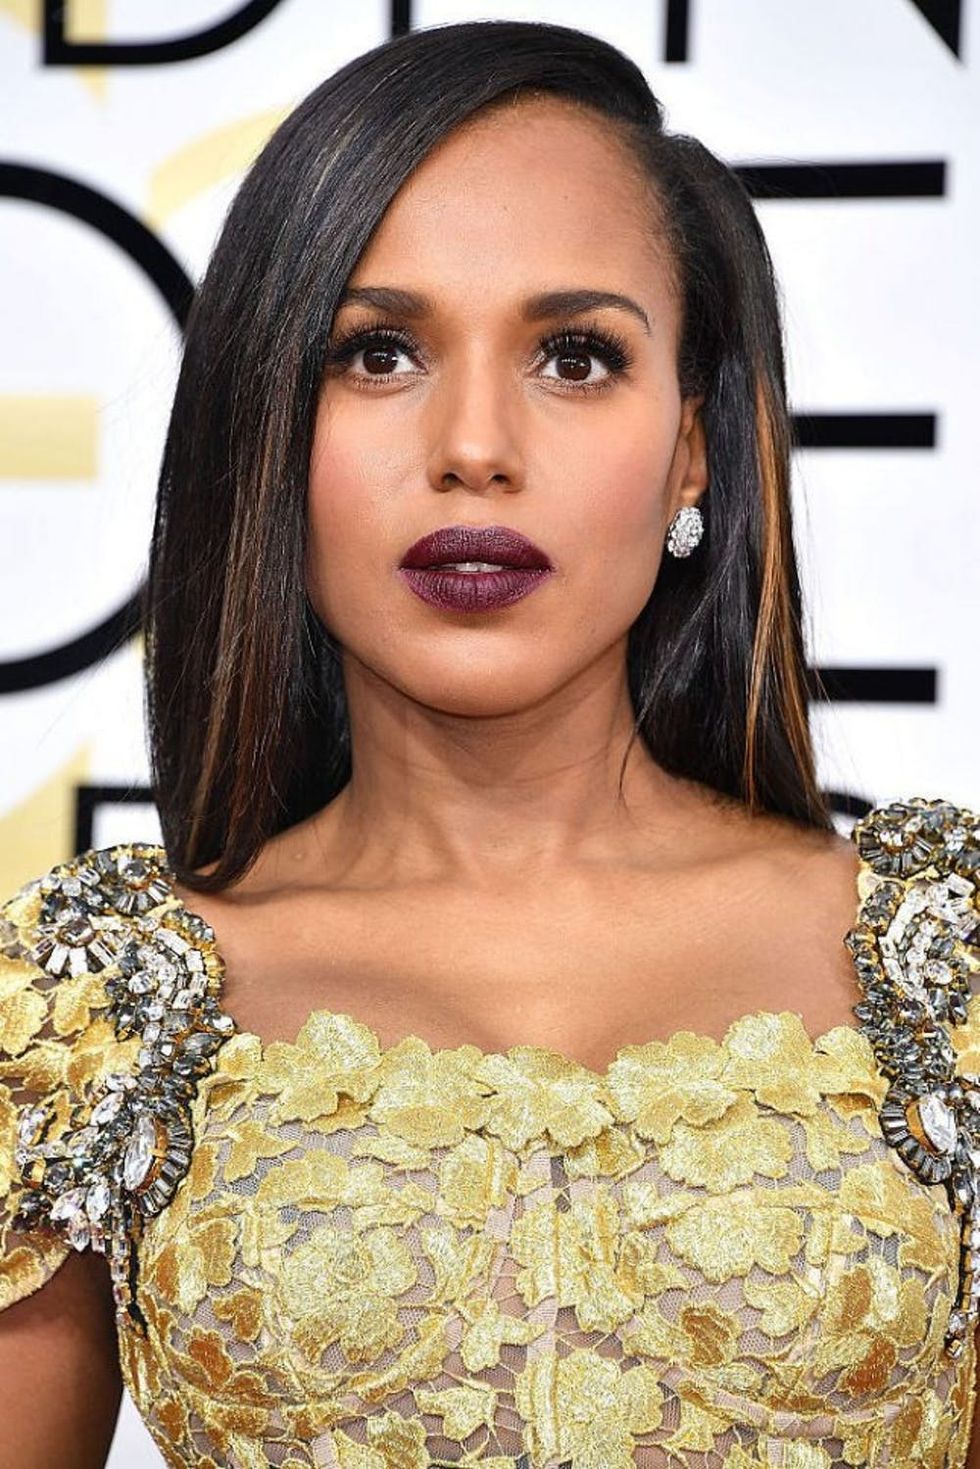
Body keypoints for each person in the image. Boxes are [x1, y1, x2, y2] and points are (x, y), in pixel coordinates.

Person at [1, 17, 977, 1468]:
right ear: (270, 422)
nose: (474, 443)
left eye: (575, 357)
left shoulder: (942, 965)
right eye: (378, 351)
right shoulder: (91, 1013)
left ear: (696, 444)